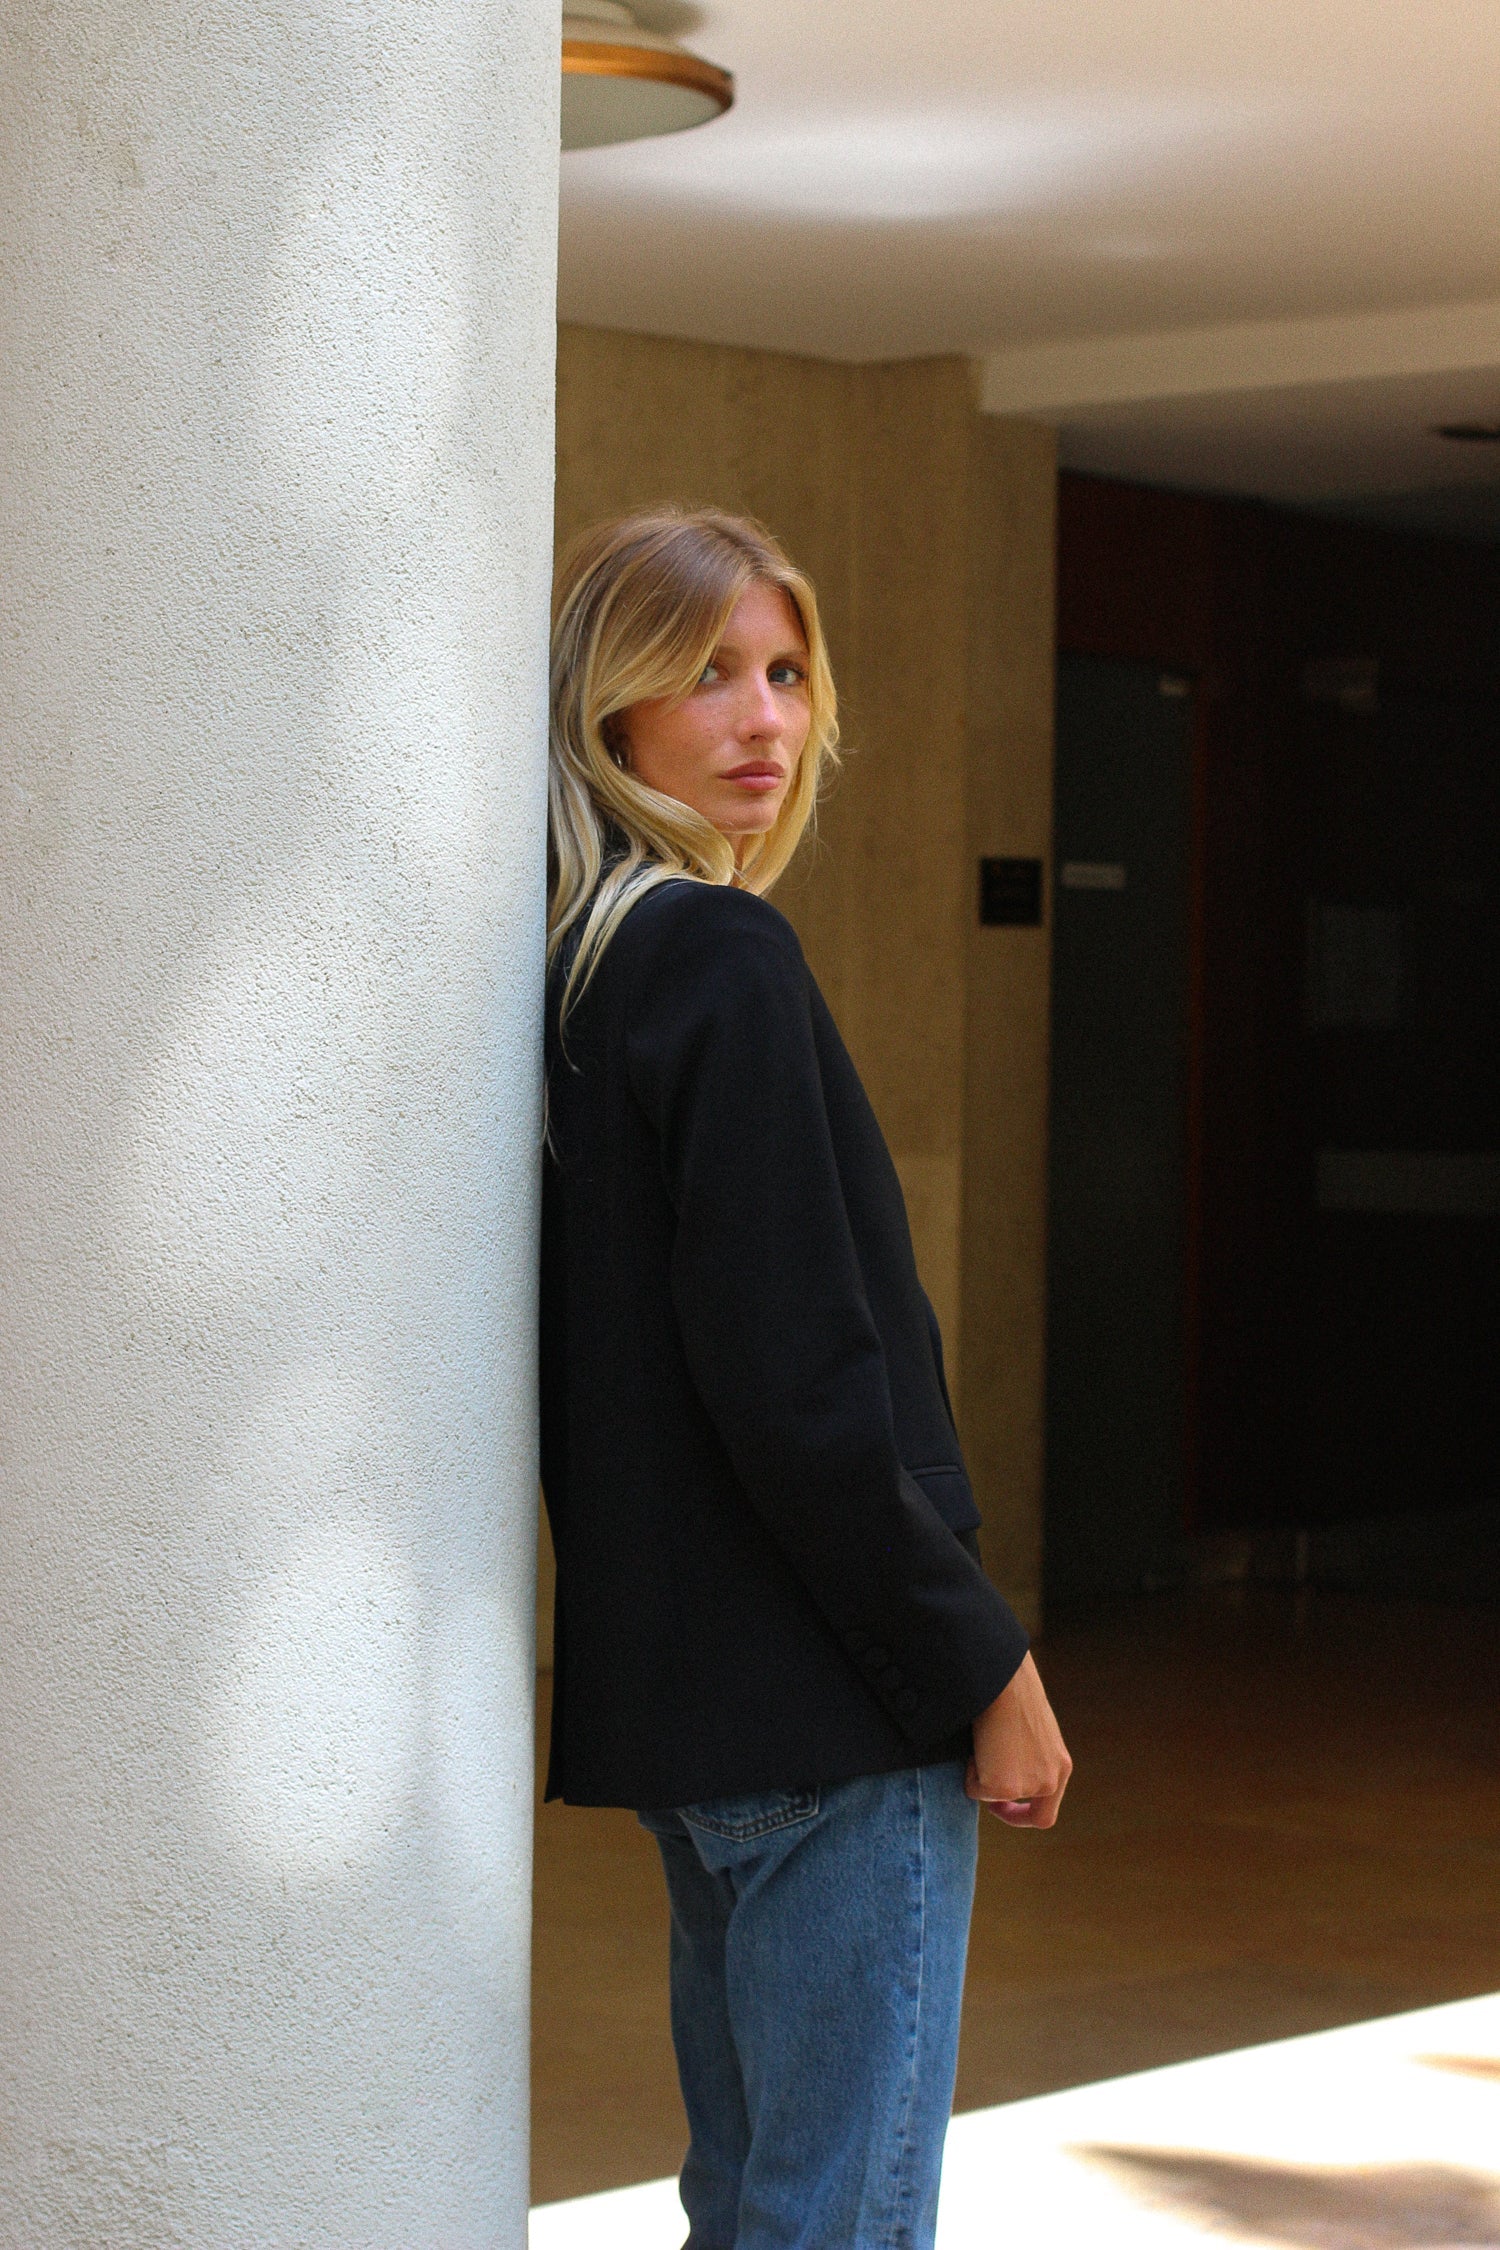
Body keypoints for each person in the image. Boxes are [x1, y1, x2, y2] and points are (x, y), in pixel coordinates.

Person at [540, 505, 1072, 2250]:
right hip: (836, 1709)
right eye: (707, 674)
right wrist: (976, 1650)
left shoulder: (586, 965)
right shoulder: (715, 954)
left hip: (704, 1715)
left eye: (784, 671)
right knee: (837, 2221)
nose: (764, 718)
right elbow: (799, 1378)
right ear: (613, 711)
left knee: (755, 2204)